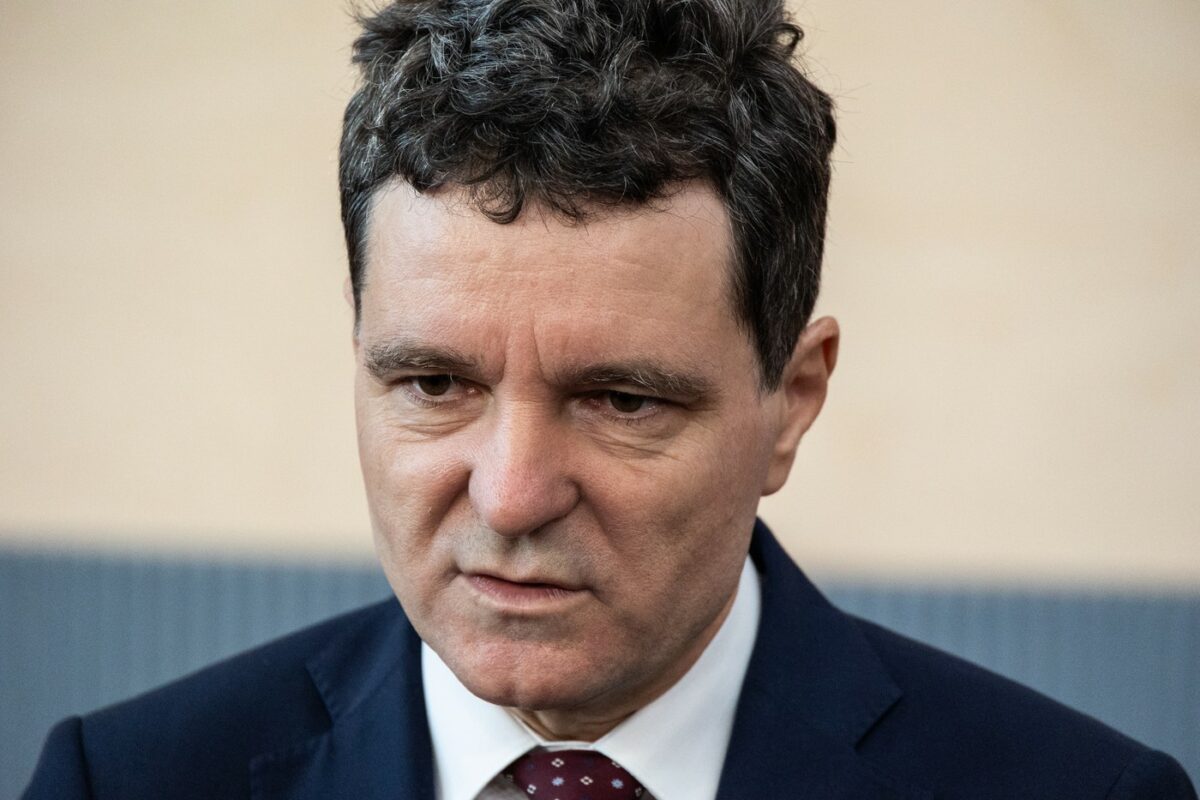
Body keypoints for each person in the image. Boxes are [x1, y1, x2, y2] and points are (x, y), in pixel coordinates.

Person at [22, 1, 1197, 798]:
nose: (512, 494)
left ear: (793, 399)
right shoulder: (120, 780)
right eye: (434, 382)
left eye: (621, 400)